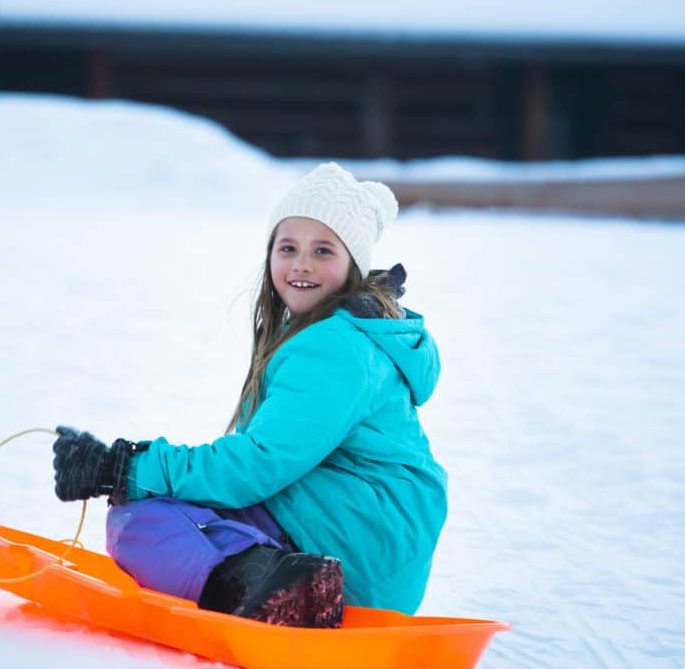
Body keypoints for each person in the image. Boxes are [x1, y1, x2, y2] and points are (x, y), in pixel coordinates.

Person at [52, 162, 448, 628]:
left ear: (352, 267)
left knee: (138, 521)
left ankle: (268, 591)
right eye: (288, 248)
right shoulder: (330, 334)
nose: (302, 263)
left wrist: (125, 466)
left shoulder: (335, 346)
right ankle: (279, 582)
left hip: (355, 547)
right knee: (169, 510)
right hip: (367, 543)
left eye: (323, 250)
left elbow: (259, 463)